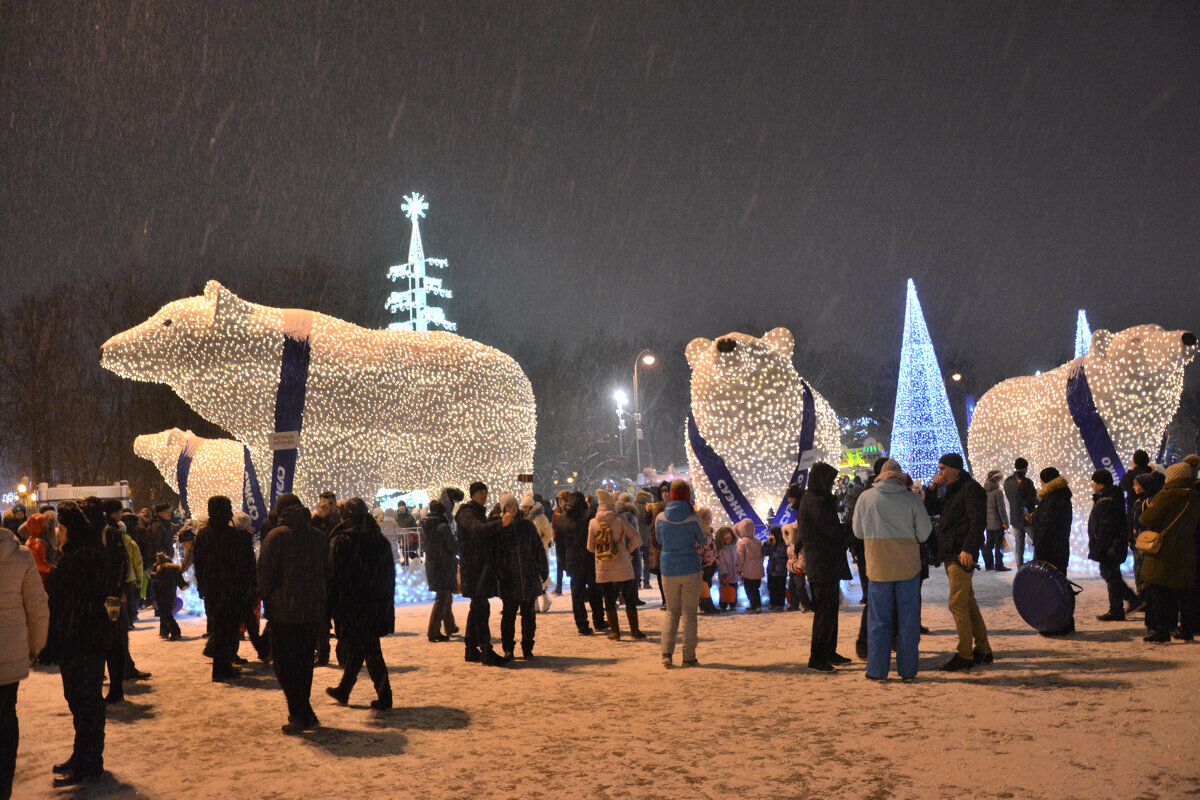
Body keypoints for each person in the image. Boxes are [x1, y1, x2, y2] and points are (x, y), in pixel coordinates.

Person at [45, 503, 112, 786]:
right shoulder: (77, 555)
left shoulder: (82, 558)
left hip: (82, 640)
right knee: (79, 701)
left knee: (86, 702)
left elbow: (73, 600)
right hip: (77, 639)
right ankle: (83, 755)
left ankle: (89, 761)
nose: (58, 536)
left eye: (61, 530)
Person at [852, 459, 932, 682]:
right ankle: (907, 670)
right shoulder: (912, 499)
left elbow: (858, 531)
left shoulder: (865, 498)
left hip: (878, 566)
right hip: (908, 567)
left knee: (878, 620)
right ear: (900, 476)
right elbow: (924, 534)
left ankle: (877, 670)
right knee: (908, 621)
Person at [257, 493, 328, 734]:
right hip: (310, 610)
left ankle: (299, 714)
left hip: (283, 611)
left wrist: (264, 597)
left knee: (285, 665)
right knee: (304, 663)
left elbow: (265, 574)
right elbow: (326, 572)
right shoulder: (318, 536)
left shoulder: (276, 536)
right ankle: (304, 712)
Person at [325, 498, 395, 709]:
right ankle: (344, 690)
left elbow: (333, 579)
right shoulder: (378, 540)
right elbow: (388, 576)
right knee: (361, 647)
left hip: (352, 606)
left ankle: (385, 697)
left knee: (370, 650)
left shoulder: (342, 542)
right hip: (374, 604)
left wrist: (329, 608)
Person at [924, 452, 991, 671]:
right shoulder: (954, 488)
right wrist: (932, 490)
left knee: (957, 604)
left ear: (955, 468)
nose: (939, 472)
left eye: (942, 468)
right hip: (952, 550)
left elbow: (977, 521)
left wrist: (968, 548)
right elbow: (932, 511)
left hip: (961, 553)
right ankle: (982, 649)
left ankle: (965, 654)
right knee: (968, 602)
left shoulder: (971, 489)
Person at [0, 511, 49, 799]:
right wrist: (35, 646)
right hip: (10, 653)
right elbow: (37, 607)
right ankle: (3, 782)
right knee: (6, 715)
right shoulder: (20, 557)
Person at [193, 496, 257, 682]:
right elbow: (246, 567)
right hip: (232, 591)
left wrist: (203, 587)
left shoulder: (204, 535)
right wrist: (247, 588)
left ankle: (222, 666)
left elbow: (199, 564)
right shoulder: (236, 537)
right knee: (228, 630)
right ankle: (223, 667)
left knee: (220, 629)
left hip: (214, 591)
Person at [797, 463, 852, 672]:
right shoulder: (816, 502)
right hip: (822, 562)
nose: (832, 485)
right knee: (824, 611)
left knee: (830, 609)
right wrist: (847, 528)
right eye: (830, 481)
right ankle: (818, 655)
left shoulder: (815, 499)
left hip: (825, 562)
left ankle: (828, 650)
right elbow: (830, 530)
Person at [1139, 462, 1200, 643]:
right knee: (1185, 593)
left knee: (1159, 591)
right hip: (1187, 550)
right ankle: (1187, 630)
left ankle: (1161, 630)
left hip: (1164, 551)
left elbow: (1146, 518)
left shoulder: (1165, 496)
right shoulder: (1195, 497)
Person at [656, 480, 706, 668]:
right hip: (690, 568)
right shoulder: (693, 518)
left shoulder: (660, 517)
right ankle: (689, 657)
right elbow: (701, 540)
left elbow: (660, 540)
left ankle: (666, 654)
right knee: (689, 615)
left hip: (668, 569)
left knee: (672, 612)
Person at [456, 482, 506, 665]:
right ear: (472, 495)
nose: (483, 495)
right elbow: (477, 530)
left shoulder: (478, 513)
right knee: (481, 608)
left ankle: (471, 649)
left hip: (480, 568)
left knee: (477, 607)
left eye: (485, 492)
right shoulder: (467, 513)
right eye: (480, 493)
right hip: (474, 570)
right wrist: (499, 523)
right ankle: (486, 650)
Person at [495, 496, 549, 659]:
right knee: (508, 615)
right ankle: (508, 648)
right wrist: (499, 573)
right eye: (508, 506)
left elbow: (538, 548)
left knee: (529, 615)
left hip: (528, 576)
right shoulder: (500, 529)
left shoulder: (527, 525)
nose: (512, 508)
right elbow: (496, 553)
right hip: (509, 579)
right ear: (503, 509)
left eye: (514, 505)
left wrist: (543, 568)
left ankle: (527, 646)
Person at [587, 489, 642, 641]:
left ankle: (615, 632)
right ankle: (634, 630)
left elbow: (590, 547)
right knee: (630, 597)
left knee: (609, 599)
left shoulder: (593, 523)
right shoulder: (619, 519)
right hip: (623, 564)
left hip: (603, 567)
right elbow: (636, 537)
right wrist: (626, 550)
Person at [1087, 470, 1137, 621]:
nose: (1092, 485)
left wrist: (1101, 547)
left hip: (1110, 545)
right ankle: (1120, 606)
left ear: (1101, 484)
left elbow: (1106, 526)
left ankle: (1123, 605)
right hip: (1112, 544)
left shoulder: (1107, 500)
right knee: (1110, 574)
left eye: (1094, 482)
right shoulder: (1108, 497)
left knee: (1110, 574)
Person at [560, 491, 605, 635]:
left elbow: (559, 545)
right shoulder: (587, 517)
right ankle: (599, 620)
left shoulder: (562, 519)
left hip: (572, 560)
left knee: (577, 594)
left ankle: (581, 624)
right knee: (595, 591)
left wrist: (564, 564)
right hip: (588, 558)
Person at [422, 498, 459, 642]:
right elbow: (452, 546)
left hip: (433, 564)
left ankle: (450, 626)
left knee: (446, 596)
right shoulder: (443, 526)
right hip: (444, 565)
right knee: (442, 598)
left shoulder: (426, 526)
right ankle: (433, 631)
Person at [1032, 467, 1073, 576]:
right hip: (1060, 548)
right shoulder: (1062, 494)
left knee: (1048, 585)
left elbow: (1046, 526)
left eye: (1041, 479)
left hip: (1049, 551)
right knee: (1059, 582)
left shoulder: (1051, 499)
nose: (1040, 482)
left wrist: (1039, 551)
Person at [522, 492, 554, 613]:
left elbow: (548, 534)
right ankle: (535, 603)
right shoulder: (524, 519)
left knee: (541, 576)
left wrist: (539, 543)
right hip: (528, 552)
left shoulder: (540, 518)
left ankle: (545, 599)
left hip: (539, 552)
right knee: (532, 577)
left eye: (526, 507)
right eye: (523, 507)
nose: (524, 509)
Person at [1003, 458, 1038, 567]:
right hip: (1027, 518)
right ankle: (1037, 566)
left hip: (1015, 517)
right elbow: (1031, 500)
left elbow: (1013, 501)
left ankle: (1020, 569)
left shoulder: (1007, 481)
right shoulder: (1027, 482)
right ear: (1025, 468)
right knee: (1037, 542)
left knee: (1019, 547)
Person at [150, 553, 186, 640]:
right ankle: (164, 631)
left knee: (164, 614)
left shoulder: (158, 569)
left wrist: (152, 596)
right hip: (171, 595)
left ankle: (175, 631)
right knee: (167, 613)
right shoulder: (174, 569)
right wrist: (184, 585)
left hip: (160, 595)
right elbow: (182, 584)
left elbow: (154, 581)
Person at [981, 470, 1010, 571]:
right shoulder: (998, 492)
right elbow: (1001, 510)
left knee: (989, 544)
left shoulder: (984, 492)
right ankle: (999, 565)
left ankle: (989, 565)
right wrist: (1006, 523)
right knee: (999, 545)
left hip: (988, 523)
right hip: (997, 523)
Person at [734, 519, 764, 612]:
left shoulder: (742, 542)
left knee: (749, 589)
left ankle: (755, 606)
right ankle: (757, 605)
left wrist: (738, 569)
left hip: (748, 570)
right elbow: (762, 556)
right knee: (756, 589)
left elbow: (740, 558)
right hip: (758, 570)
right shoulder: (758, 541)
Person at [761, 525, 789, 610]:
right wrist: (766, 544)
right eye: (770, 534)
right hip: (771, 570)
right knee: (771, 587)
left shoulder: (783, 543)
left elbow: (783, 554)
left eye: (772, 534)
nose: (771, 536)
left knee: (780, 587)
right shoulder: (769, 543)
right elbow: (764, 553)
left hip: (781, 570)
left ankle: (780, 604)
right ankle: (773, 603)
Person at [714, 526, 738, 611]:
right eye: (726, 539)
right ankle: (723, 605)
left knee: (734, 590)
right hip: (726, 576)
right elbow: (722, 563)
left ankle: (733, 604)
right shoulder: (721, 551)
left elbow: (737, 559)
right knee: (724, 590)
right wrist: (724, 573)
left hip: (734, 574)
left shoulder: (735, 548)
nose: (728, 541)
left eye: (730, 538)